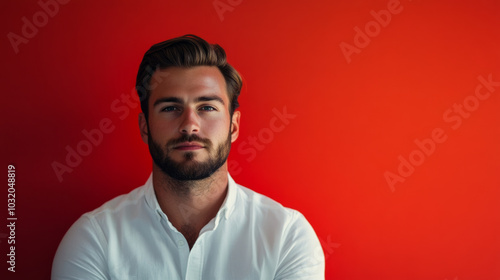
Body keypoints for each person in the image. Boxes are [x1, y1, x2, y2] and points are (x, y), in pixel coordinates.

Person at [52, 34, 325, 279]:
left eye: (207, 107)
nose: (189, 125)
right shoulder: (94, 239)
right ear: (145, 127)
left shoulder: (287, 237)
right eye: (170, 107)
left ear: (234, 126)